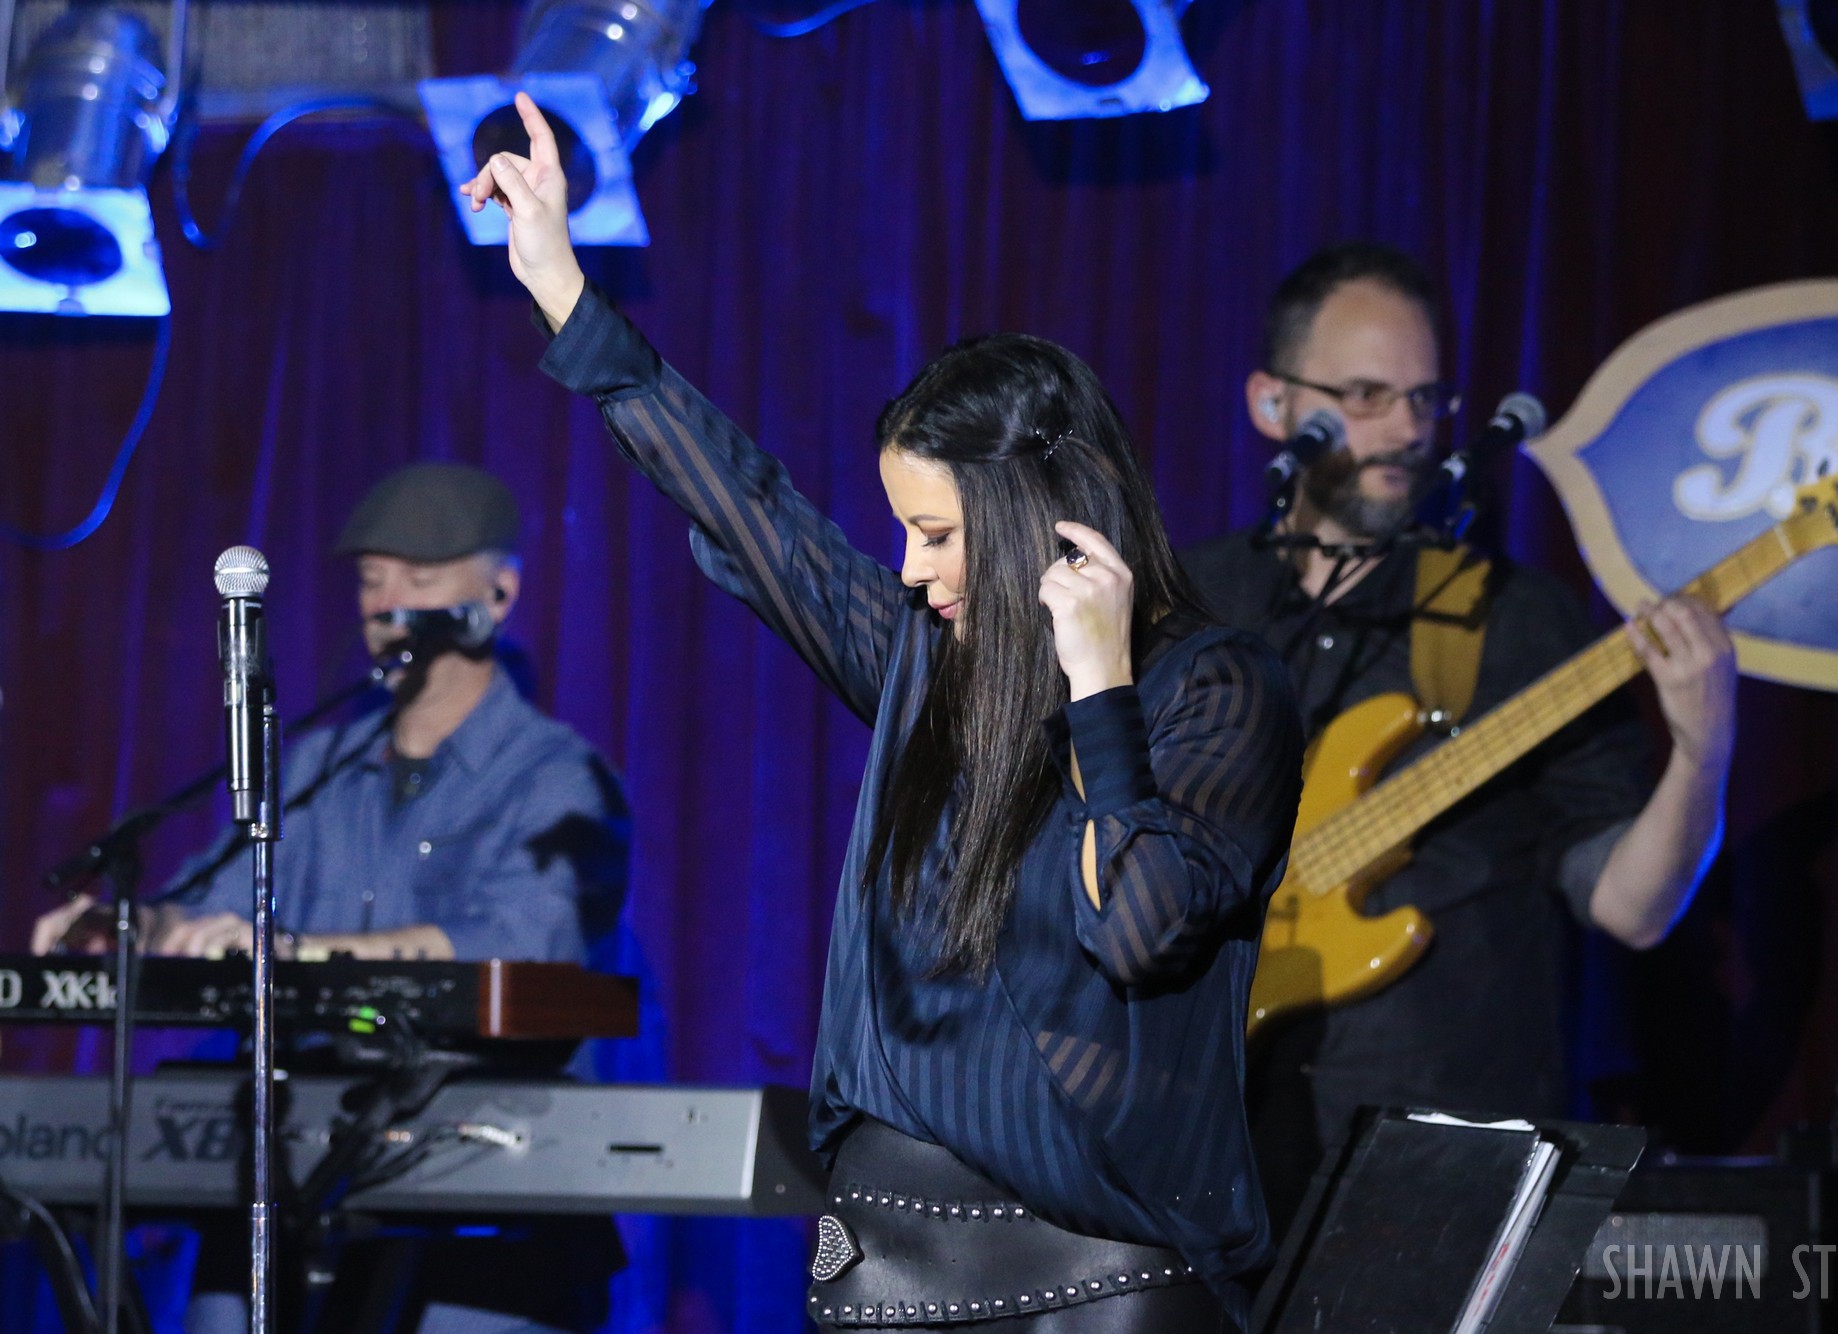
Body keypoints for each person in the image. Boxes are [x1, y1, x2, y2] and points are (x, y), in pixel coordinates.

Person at [464, 93, 1303, 1330]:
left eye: (937, 533)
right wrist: (559, 285)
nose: (910, 568)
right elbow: (753, 512)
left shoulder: (1215, 686)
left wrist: (1099, 687)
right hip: (885, 1263)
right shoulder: (928, 664)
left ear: (1034, 514)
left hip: (1099, 1277)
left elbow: (1140, 928)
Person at [1179, 241, 1739, 1242]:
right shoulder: (1190, 606)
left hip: (1444, 1163)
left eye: (1424, 398)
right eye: (1364, 395)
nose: (1404, 428)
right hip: (1206, 1150)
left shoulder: (1520, 621)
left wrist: (1703, 750)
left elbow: (1632, 907)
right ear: (1271, 403)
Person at [32, 461, 631, 1333]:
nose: (386, 604)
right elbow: (219, 903)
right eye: (371, 579)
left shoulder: (560, 779)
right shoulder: (314, 766)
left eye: (419, 578)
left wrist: (302, 955)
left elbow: (525, 941)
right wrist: (137, 924)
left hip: (488, 1205)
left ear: (497, 596)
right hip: (286, 1167)